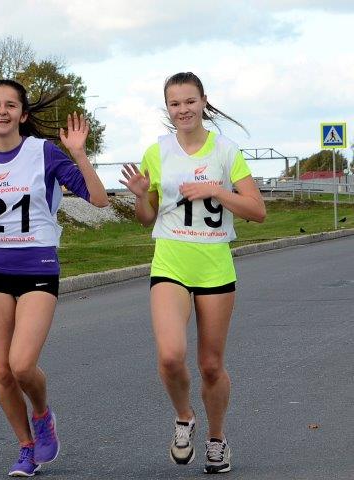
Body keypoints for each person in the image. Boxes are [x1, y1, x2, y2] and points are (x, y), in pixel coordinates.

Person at [0, 79, 108, 477]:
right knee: (2, 371)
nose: (2, 111)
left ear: (22, 114)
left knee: (22, 365)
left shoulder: (42, 152)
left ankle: (42, 415)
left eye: (10, 105)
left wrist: (79, 154)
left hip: (38, 267)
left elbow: (99, 199)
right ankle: (26, 447)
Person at [120, 72, 266, 474]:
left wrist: (216, 190)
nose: (182, 109)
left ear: (203, 101)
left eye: (189, 101)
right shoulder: (157, 152)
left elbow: (257, 211)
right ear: (167, 108)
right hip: (170, 263)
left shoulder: (226, 151)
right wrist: (140, 197)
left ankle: (217, 440)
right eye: (174, 103)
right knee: (170, 356)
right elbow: (146, 217)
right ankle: (184, 417)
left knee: (211, 366)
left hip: (215, 267)